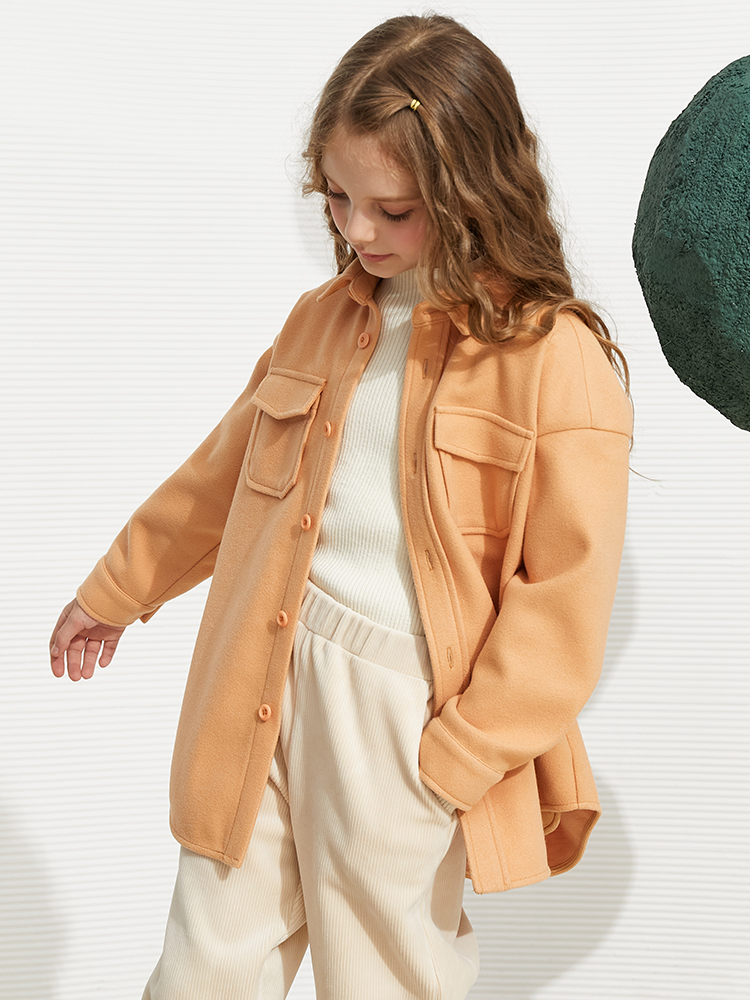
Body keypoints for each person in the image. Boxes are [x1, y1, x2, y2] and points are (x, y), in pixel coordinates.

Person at [49, 13, 632, 1000]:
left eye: (392, 210)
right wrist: (116, 590)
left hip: (402, 716)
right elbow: (221, 479)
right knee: (202, 967)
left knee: (381, 977)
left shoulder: (552, 358)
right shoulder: (321, 323)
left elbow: (563, 607)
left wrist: (454, 761)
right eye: (338, 199)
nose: (358, 231)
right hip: (262, 673)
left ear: (471, 190)